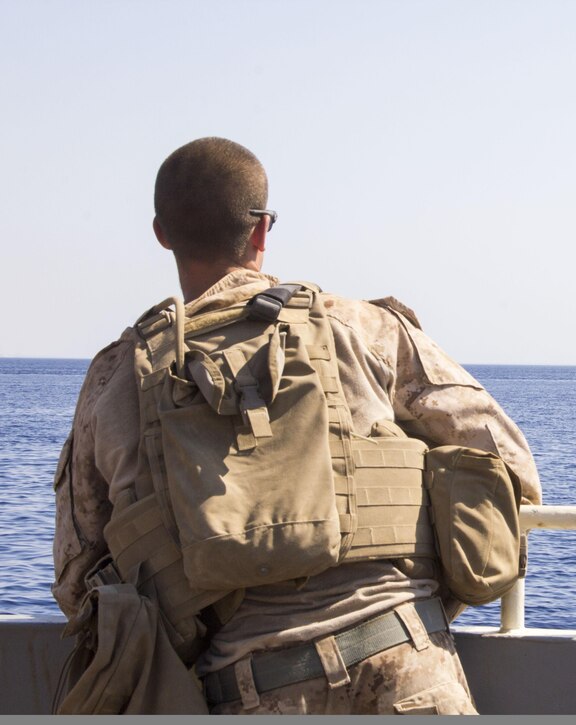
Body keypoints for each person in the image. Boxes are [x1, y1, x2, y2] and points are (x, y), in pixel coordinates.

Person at [51, 136, 542, 714]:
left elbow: (75, 578)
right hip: (410, 665)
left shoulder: (115, 381)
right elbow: (508, 464)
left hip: (247, 693)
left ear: (162, 234)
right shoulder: (361, 328)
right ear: (262, 229)